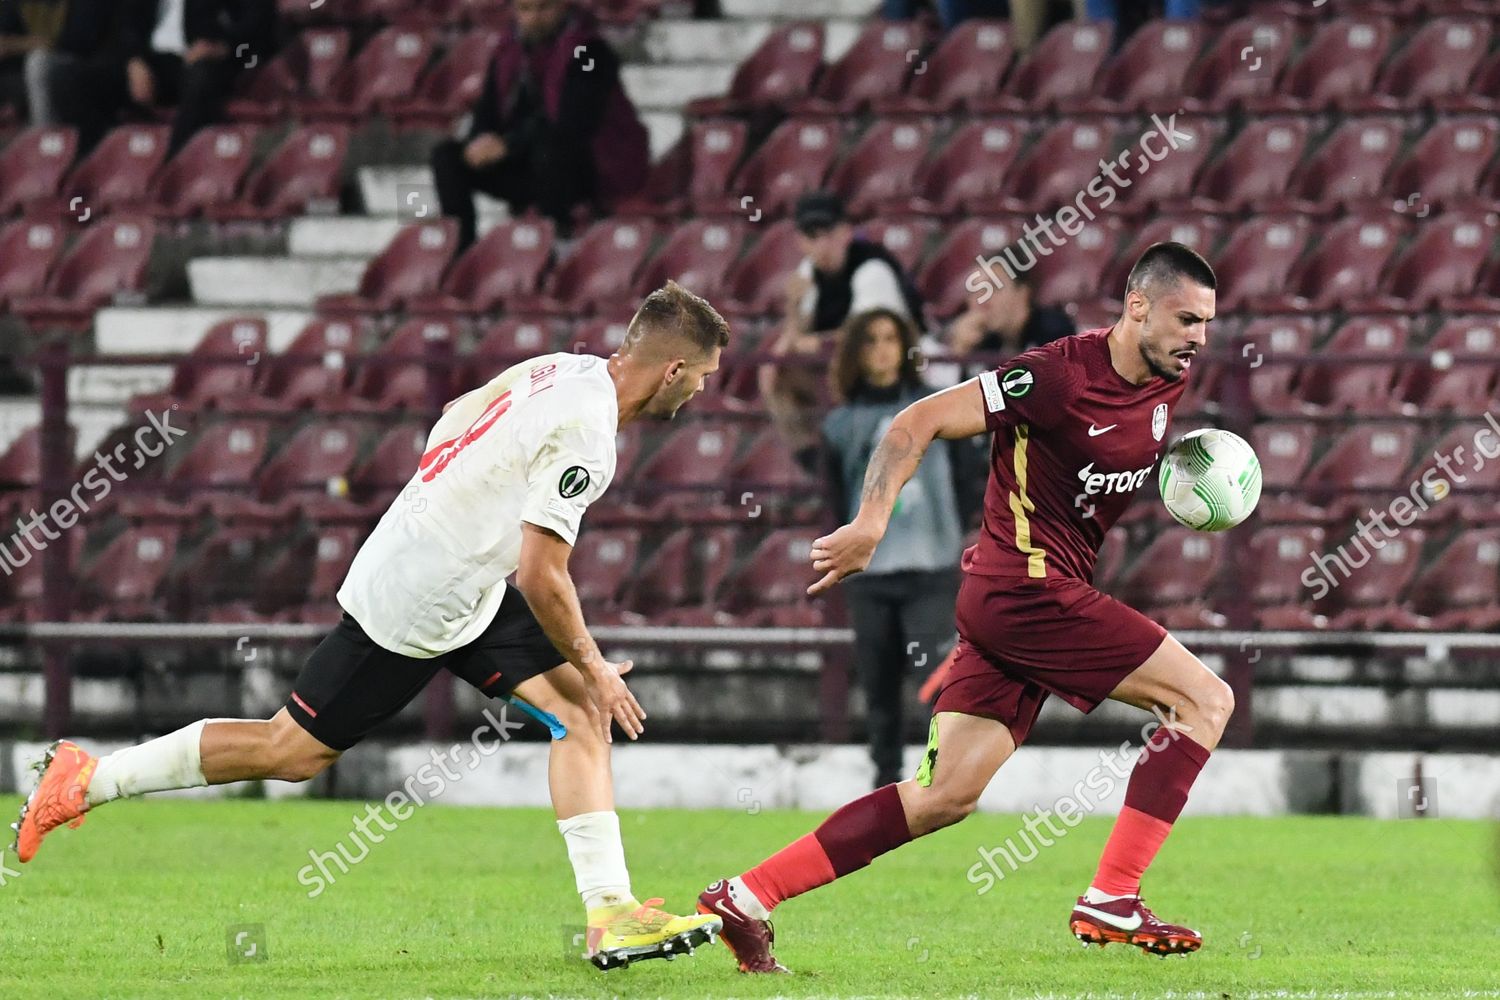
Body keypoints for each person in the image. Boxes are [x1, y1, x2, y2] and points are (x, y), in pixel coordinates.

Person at [15, 282, 730, 972]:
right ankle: (89, 780)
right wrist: (596, 661)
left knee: (578, 712)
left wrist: (448, 508)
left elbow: (452, 414)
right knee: (291, 750)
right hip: (415, 599)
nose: (701, 390)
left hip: (460, 582)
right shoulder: (588, 434)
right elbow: (541, 575)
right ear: (672, 369)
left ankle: (611, 912)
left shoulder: (563, 368)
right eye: (702, 376)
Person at [699, 243, 1229, 972]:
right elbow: (914, 422)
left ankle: (745, 896)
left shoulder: (1170, 380)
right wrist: (871, 523)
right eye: (1186, 319)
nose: (1198, 337)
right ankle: (1113, 893)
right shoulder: (1055, 376)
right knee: (1205, 702)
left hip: (1011, 598)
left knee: (943, 796)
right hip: (1029, 591)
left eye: (1206, 323)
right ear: (1137, 306)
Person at [821, 309, 965, 789]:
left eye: (890, 339)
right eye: (871, 341)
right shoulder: (840, 425)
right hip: (870, 574)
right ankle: (885, 784)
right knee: (879, 685)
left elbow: (968, 479)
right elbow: (835, 498)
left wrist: (953, 531)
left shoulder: (939, 409)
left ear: (905, 347)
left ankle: (943, 783)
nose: (882, 350)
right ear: (856, 353)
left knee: (934, 680)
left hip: (931, 570)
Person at [430, 0, 649, 247]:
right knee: (447, 156)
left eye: (543, 8)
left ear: (562, 6)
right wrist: (480, 139)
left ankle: (556, 239)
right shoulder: (508, 50)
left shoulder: (589, 52)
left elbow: (574, 120)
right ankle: (461, 248)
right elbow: (488, 108)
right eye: (525, 9)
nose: (534, 18)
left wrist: (507, 145)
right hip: (527, 160)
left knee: (551, 146)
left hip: (587, 168)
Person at [762, 190, 927, 463]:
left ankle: (847, 459)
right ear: (801, 241)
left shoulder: (872, 268)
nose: (822, 245)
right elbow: (789, 346)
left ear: (846, 233)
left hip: (910, 364)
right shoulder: (807, 273)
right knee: (775, 374)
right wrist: (793, 309)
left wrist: (811, 343)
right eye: (811, 236)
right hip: (845, 368)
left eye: (829, 233)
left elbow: (874, 336)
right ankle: (815, 463)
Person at [45, 0, 273, 154]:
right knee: (66, 78)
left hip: (199, 60)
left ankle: (174, 166)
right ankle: (99, 158)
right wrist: (134, 60)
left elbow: (260, 25)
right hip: (150, 62)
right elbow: (126, 24)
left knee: (201, 79)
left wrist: (223, 47)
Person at [922, 270, 1076, 388]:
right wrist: (959, 353)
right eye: (975, 291)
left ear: (1022, 292)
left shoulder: (1054, 332)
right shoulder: (985, 341)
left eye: (993, 287)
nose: (982, 300)